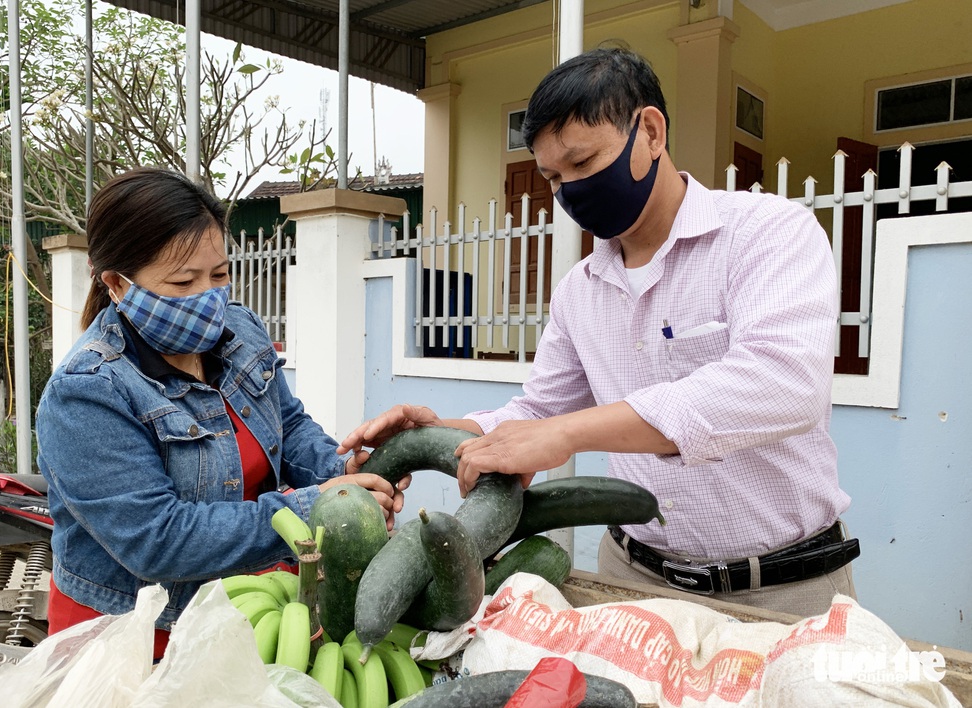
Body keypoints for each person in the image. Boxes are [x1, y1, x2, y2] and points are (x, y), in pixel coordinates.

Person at [340, 47, 857, 617]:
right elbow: (540, 413)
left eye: (583, 164)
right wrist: (443, 432)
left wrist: (569, 434)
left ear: (651, 132)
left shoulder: (767, 233)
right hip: (632, 576)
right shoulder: (580, 289)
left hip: (784, 586)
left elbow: (783, 384)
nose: (570, 192)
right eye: (553, 178)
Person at [36, 167, 403, 654]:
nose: (207, 297)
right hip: (137, 634)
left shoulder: (241, 331)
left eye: (219, 274)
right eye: (183, 281)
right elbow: (157, 539)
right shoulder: (86, 394)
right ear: (117, 284)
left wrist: (340, 469)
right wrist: (312, 508)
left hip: (247, 606)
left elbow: (286, 424)